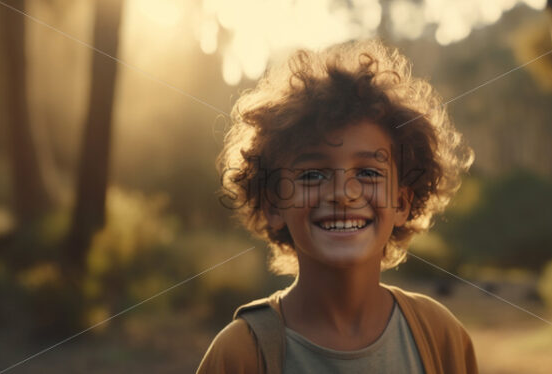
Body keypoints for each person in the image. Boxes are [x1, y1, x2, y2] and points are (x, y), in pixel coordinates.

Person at [197, 38, 477, 374]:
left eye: (369, 172)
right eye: (313, 174)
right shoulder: (241, 353)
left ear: (402, 202)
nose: (343, 193)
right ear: (273, 204)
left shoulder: (439, 335)